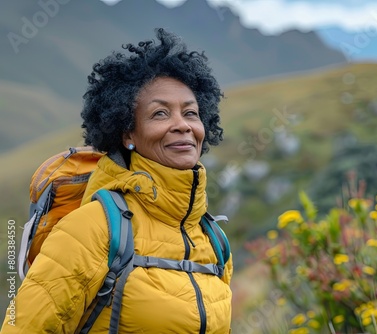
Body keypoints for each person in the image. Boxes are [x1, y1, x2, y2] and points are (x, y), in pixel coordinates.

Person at [1, 28, 232, 333]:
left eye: (191, 113)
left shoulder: (213, 240)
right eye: (160, 114)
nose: (182, 125)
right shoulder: (93, 229)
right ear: (127, 133)